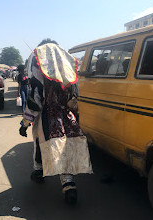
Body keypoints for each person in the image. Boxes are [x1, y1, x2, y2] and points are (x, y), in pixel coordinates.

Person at [19, 41, 93, 204]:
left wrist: (25, 121)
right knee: (64, 147)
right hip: (67, 114)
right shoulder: (69, 64)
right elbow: (75, 95)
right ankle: (68, 184)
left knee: (41, 142)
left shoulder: (39, 64)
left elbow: (36, 99)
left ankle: (38, 172)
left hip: (48, 115)